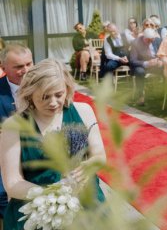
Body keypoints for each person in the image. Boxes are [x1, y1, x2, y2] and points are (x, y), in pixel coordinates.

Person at [0, 59, 106, 228]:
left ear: (67, 89)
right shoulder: (13, 126)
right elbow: (12, 183)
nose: (53, 102)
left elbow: (100, 155)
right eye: (44, 97)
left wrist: (90, 165)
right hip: (35, 210)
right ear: (29, 93)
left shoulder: (83, 111)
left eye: (59, 94)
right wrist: (52, 198)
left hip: (86, 203)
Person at [0, 43, 33, 219]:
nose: (26, 70)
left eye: (29, 64)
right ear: (3, 67)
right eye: (19, 66)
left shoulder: (44, 88)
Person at [130, 28, 163, 106]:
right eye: (148, 40)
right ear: (143, 37)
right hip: (142, 65)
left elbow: (163, 54)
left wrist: (160, 60)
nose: (150, 42)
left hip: (156, 64)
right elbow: (133, 60)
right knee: (139, 72)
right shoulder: (135, 43)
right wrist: (146, 63)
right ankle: (140, 96)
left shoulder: (158, 40)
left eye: (152, 40)